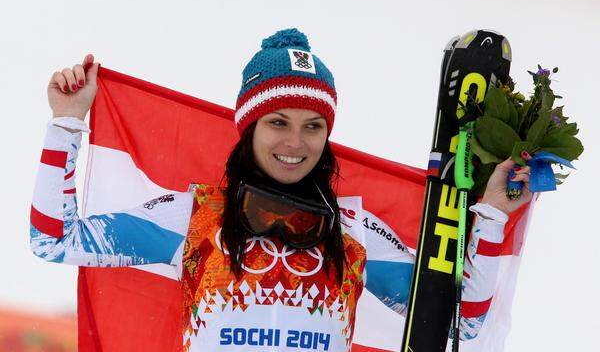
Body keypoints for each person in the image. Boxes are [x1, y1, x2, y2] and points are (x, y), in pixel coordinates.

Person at [30, 28, 533, 351]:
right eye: (278, 122)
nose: (296, 142)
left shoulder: (352, 232)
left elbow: (461, 323)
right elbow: (53, 239)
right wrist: (68, 122)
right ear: (249, 126)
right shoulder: (195, 215)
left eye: (314, 126)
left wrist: (490, 214)